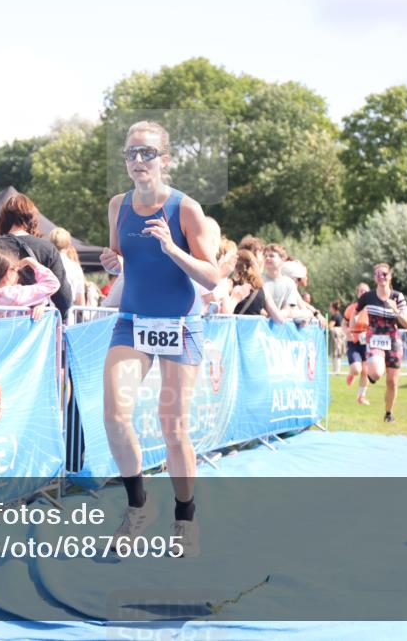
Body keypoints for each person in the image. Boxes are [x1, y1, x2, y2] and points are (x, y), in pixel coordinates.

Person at [98, 120, 221, 558]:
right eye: (130, 153)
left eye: (146, 153)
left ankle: (185, 517)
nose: (137, 160)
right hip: (133, 320)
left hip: (180, 324)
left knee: (174, 427)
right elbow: (121, 260)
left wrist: (173, 249)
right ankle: (138, 506)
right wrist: (113, 263)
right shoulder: (118, 205)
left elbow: (212, 276)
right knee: (115, 415)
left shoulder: (186, 209)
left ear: (164, 160)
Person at [0, 193, 72, 316]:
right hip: (35, 323)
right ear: (32, 219)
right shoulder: (47, 249)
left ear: (3, 219)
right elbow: (64, 299)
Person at [351, 263, 407, 423]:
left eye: (384, 274)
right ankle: (373, 374)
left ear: (390, 276)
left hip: (393, 340)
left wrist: (396, 310)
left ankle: (388, 414)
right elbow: (355, 311)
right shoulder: (368, 297)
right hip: (375, 337)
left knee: (392, 382)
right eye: (378, 274)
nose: (381, 277)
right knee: (377, 372)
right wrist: (352, 327)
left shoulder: (398, 297)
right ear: (374, 278)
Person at [0, 247, 60, 321]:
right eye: (17, 271)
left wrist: (40, 303)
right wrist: (30, 262)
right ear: (8, 272)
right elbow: (52, 284)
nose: (18, 275)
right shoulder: (15, 293)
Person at [222, 250, 287, 323]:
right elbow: (279, 320)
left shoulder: (229, 284)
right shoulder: (262, 289)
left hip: (235, 329)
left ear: (235, 265)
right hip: (256, 330)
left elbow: (224, 315)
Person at [343, 283, 372, 405]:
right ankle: (352, 374)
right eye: (361, 291)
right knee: (356, 370)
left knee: (366, 371)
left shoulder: (372, 309)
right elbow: (344, 323)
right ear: (357, 293)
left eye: (365, 291)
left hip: (367, 343)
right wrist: (347, 332)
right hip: (353, 342)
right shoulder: (351, 308)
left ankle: (361, 396)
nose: (363, 293)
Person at [49, 227, 87, 307]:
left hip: (48, 311)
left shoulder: (45, 266)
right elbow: (80, 301)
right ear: (69, 245)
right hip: (69, 311)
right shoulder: (76, 268)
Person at [327, 300, 346, 374]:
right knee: (338, 354)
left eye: (330, 307)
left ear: (333, 308)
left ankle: (336, 371)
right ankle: (337, 370)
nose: (329, 309)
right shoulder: (340, 315)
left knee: (336, 354)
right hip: (341, 337)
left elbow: (330, 326)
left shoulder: (335, 316)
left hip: (336, 337)